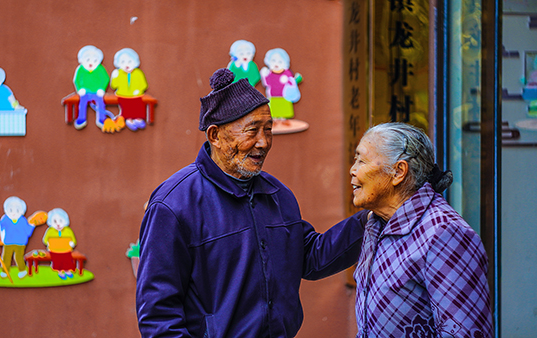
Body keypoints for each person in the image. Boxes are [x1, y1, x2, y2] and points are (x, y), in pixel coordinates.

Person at [135, 68, 367, 337]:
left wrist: (372, 218)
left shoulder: (277, 195)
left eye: (268, 130)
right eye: (252, 131)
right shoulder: (174, 204)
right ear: (215, 136)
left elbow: (310, 258)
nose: (264, 142)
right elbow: (158, 316)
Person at [350, 122, 493, 337]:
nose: (353, 170)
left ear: (398, 172)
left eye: (361, 160)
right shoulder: (377, 224)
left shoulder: (444, 233)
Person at [0, 196, 35, 279]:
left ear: (22, 211)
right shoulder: (5, 219)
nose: (13, 213)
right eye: (11, 210)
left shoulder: (23, 220)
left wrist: (32, 226)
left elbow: (28, 232)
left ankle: (22, 270)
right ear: (6, 210)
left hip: (20, 242)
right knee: (6, 256)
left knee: (18, 257)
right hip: (8, 242)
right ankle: (5, 271)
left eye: (17, 210)